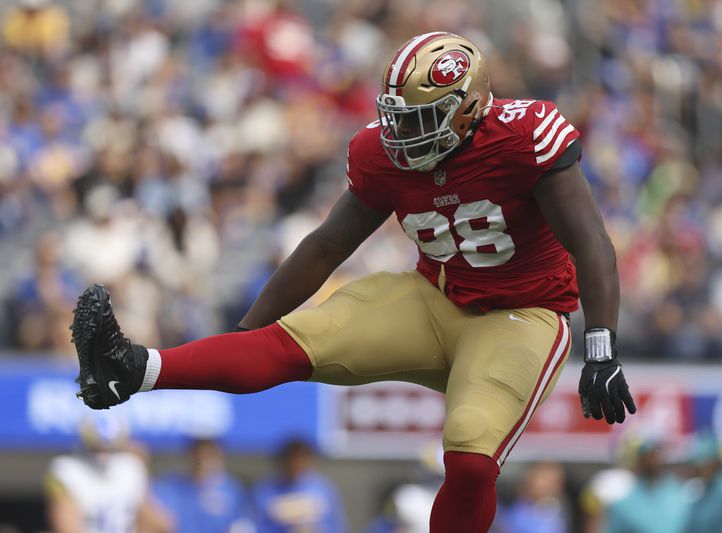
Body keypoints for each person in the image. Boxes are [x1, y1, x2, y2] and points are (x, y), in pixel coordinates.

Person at [69, 31, 636, 532]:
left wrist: (602, 346)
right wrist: (247, 335)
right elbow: (327, 245)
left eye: (419, 117)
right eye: (396, 115)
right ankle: (132, 369)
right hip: (433, 297)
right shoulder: (379, 153)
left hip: (522, 314)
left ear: (467, 110)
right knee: (288, 344)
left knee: (467, 456)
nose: (400, 132)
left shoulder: (523, 136)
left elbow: (591, 243)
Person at [44, 415, 172, 533]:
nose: (103, 456)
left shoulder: (130, 468)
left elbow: (160, 525)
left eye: (109, 449)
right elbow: (68, 527)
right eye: (97, 449)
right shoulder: (66, 472)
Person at [152, 438, 254, 533]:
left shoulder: (232, 490)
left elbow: (243, 523)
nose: (203, 462)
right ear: (189, 457)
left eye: (209, 457)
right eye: (198, 457)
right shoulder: (168, 487)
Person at [251, 438, 346, 532]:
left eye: (301, 459)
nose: (296, 464)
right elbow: (257, 525)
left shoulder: (322, 488)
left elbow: (336, 526)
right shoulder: (266, 489)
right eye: (291, 459)